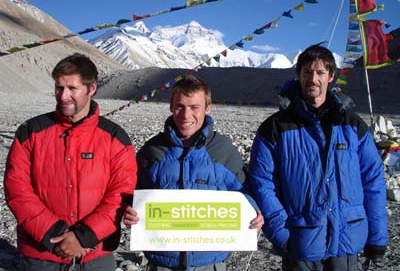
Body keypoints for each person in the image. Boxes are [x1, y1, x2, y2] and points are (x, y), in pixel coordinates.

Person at [248, 44, 388, 271]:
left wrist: (377, 237)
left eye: (320, 72)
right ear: (298, 75)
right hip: (301, 244)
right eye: (307, 72)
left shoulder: (352, 126)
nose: (313, 78)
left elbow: (372, 181)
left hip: (348, 241)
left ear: (331, 76)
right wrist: (282, 235)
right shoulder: (275, 128)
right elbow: (263, 184)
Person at [4, 53, 137, 271]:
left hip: (96, 252)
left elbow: (121, 193)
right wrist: (54, 234)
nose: (63, 96)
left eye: (72, 89)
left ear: (91, 88)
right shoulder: (30, 132)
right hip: (42, 251)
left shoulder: (114, 138)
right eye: (59, 88)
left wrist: (84, 237)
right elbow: (16, 188)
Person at [124, 75, 264, 271]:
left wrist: (255, 211)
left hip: (210, 263)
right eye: (180, 106)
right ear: (171, 107)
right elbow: (134, 194)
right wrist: (129, 212)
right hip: (162, 262)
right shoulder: (153, 150)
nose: (186, 115)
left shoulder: (223, 150)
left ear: (207, 108)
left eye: (194, 107)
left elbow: (244, 191)